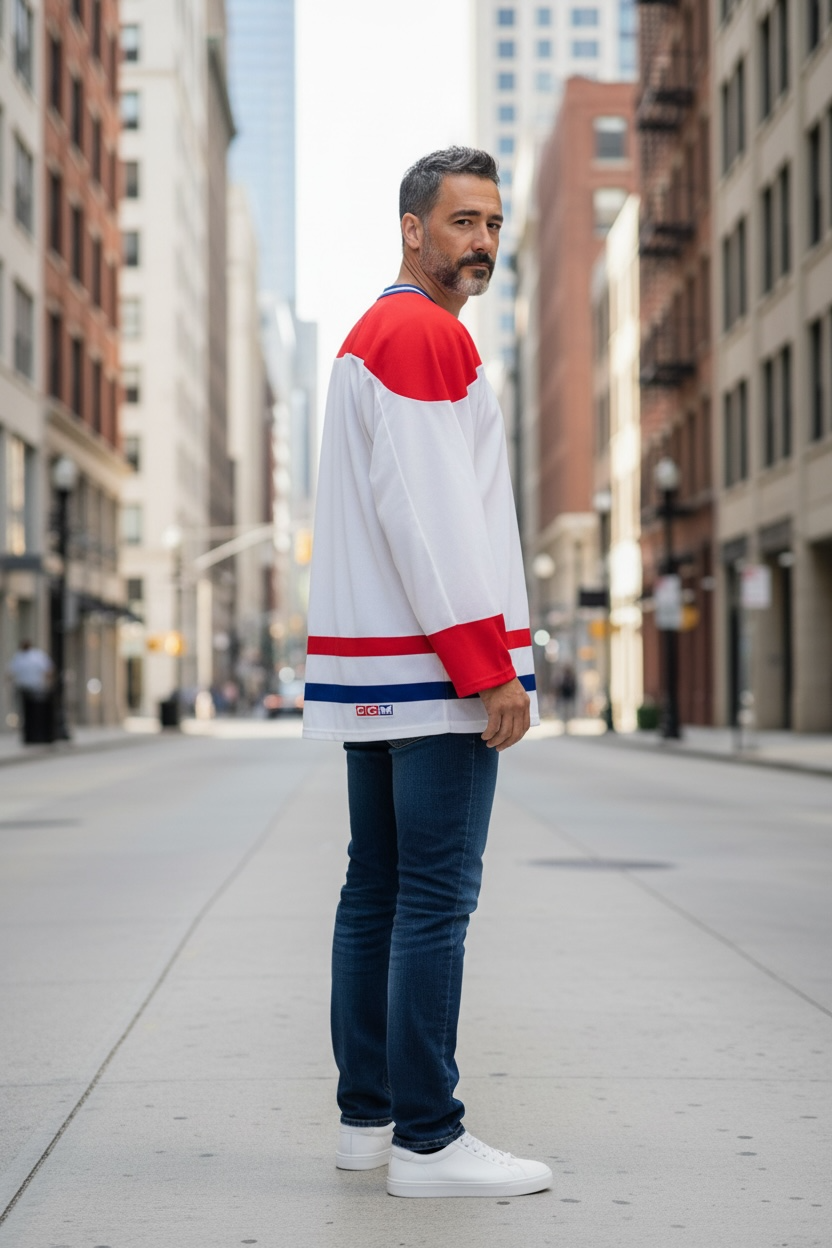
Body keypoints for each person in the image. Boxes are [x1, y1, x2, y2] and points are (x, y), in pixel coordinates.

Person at [303, 147, 552, 1199]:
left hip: (380, 666)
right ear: (413, 228)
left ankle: (371, 1122)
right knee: (432, 898)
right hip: (431, 675)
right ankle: (429, 1140)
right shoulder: (419, 334)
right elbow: (433, 519)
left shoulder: (376, 336)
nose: (483, 242)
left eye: (492, 223)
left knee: (378, 889)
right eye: (462, 222)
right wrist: (486, 668)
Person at [7, 640, 55, 743]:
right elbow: (49, 670)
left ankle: (31, 735)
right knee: (35, 713)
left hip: (27, 689)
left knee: (28, 713)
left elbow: (10, 674)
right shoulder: (36, 656)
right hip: (34, 688)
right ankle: (35, 734)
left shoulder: (21, 657)